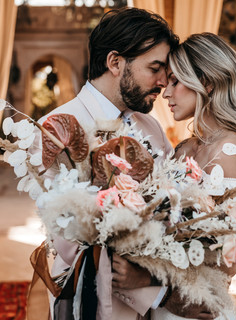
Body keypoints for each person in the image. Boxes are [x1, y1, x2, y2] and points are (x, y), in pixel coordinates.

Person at [29, 7, 179, 320]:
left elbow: (173, 210)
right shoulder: (54, 128)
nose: (165, 81)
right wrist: (148, 286)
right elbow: (67, 236)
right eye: (156, 68)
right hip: (93, 303)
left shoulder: (152, 128)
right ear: (115, 62)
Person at [159, 32, 236, 320]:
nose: (166, 93)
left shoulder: (231, 149)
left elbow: (229, 258)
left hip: (198, 307)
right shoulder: (183, 148)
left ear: (207, 83)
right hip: (164, 302)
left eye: (175, 81)